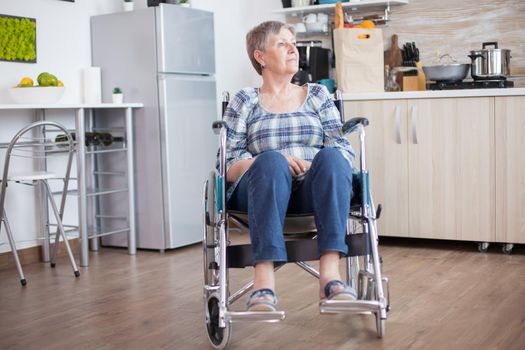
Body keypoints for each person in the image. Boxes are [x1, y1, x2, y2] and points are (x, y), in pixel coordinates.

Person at [223, 21, 356, 312]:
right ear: (260, 56)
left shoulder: (319, 95)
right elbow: (228, 163)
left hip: (312, 188)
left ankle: (330, 276)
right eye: (282, 43)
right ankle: (263, 283)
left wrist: (315, 164)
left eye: (293, 41)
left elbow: (344, 150)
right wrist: (272, 160)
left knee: (332, 158)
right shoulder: (246, 100)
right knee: (271, 160)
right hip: (260, 189)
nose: (292, 47)